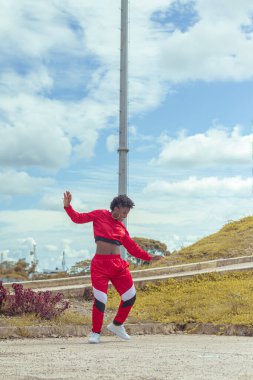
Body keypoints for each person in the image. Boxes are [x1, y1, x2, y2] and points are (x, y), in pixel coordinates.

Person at [63, 191, 162, 344]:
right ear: (116, 207)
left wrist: (149, 257)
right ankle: (95, 333)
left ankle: (117, 325)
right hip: (100, 265)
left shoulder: (122, 228)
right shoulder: (100, 214)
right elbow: (78, 218)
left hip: (118, 265)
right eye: (123, 212)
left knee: (130, 296)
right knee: (101, 299)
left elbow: (133, 248)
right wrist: (68, 207)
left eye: (127, 214)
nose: (124, 216)